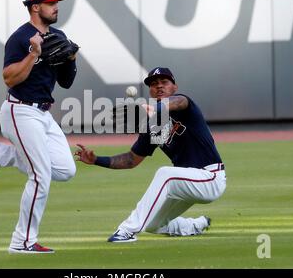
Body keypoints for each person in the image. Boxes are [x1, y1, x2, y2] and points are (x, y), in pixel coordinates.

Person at [75, 67, 226, 242]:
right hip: (186, 182)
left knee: (165, 174)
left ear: (174, 87)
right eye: (154, 84)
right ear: (150, 91)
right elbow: (131, 160)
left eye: (164, 82)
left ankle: (126, 231)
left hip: (210, 177)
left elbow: (174, 103)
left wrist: (156, 109)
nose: (159, 86)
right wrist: (96, 160)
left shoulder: (184, 105)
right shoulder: (153, 126)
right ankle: (194, 225)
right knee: (153, 224)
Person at [0, 0, 78, 254]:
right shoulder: (20, 38)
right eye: (51, 3)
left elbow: (66, 82)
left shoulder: (58, 35)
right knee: (41, 175)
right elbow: (9, 78)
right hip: (19, 110)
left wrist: (70, 58)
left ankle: (3, 155)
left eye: (57, 2)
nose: (56, 6)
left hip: (43, 114)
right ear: (36, 7)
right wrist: (33, 54)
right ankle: (22, 241)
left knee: (65, 170)